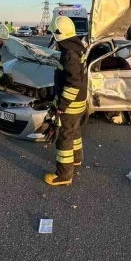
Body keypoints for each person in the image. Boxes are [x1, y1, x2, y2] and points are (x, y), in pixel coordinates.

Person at [44, 15, 88, 186]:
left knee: (64, 137)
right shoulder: (78, 47)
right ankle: (77, 159)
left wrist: (61, 106)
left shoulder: (69, 54)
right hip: (79, 102)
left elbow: (72, 84)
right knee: (74, 132)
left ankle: (64, 175)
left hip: (70, 104)